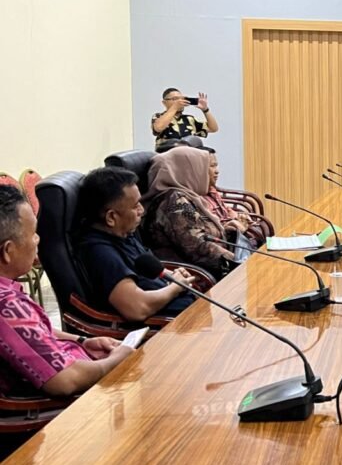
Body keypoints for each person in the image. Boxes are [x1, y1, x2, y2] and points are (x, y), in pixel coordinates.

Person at [0, 186, 134, 397]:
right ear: (8, 251)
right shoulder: (6, 305)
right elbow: (65, 380)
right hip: (59, 407)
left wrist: (81, 341)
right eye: (33, 233)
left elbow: (30, 332)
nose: (38, 240)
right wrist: (118, 359)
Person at [77, 167, 196, 321]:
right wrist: (176, 287)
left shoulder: (125, 234)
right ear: (111, 217)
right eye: (135, 205)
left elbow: (150, 274)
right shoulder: (100, 253)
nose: (142, 210)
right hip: (168, 326)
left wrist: (174, 276)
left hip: (187, 312)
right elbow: (137, 308)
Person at [141, 147, 237, 276]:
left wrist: (228, 232)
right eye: (202, 168)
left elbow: (203, 233)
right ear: (187, 171)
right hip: (193, 274)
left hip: (208, 266)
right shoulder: (175, 202)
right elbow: (198, 247)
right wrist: (240, 262)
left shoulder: (188, 196)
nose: (212, 172)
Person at [200, 150, 267, 248]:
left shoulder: (211, 189)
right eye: (212, 166)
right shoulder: (195, 198)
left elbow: (226, 210)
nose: (217, 171)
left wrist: (238, 217)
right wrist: (227, 227)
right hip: (222, 243)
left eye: (216, 165)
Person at [151, 87, 219, 152]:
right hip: (167, 155)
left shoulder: (189, 119)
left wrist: (205, 110)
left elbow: (213, 128)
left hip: (188, 155)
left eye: (182, 98)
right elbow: (158, 128)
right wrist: (175, 107)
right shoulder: (159, 116)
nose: (180, 101)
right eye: (175, 99)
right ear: (164, 102)